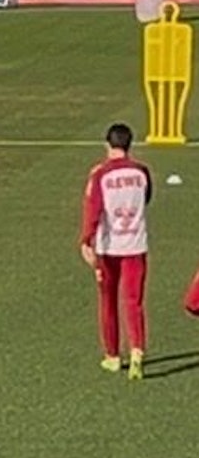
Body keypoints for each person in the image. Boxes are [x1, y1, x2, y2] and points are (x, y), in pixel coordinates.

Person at [79, 122, 152, 380]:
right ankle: (137, 352)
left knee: (108, 301)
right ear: (129, 145)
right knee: (133, 301)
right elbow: (146, 198)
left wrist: (86, 240)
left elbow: (93, 210)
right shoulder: (142, 172)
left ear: (108, 145)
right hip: (136, 245)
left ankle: (112, 355)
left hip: (109, 248)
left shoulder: (100, 174)